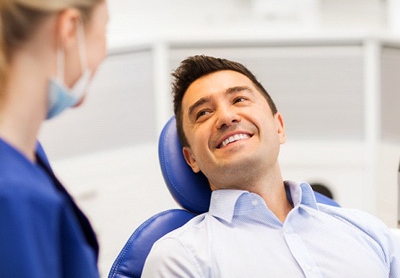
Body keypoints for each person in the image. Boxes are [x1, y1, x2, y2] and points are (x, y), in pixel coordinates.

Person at [142, 55, 400, 277]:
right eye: (203, 113)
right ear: (191, 159)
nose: (226, 117)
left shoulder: (368, 231)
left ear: (279, 127)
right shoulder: (179, 257)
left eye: (240, 99)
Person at [0, 0, 108, 276]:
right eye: (105, 27)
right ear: (69, 29)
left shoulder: (28, 157)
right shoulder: (13, 196)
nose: (105, 49)